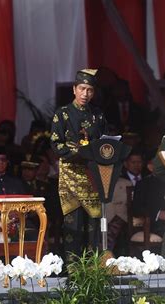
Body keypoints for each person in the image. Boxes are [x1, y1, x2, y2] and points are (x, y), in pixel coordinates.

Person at [50, 68, 107, 258]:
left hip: (92, 176)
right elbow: (56, 144)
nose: (85, 94)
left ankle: (92, 273)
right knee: (72, 227)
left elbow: (105, 141)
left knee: (93, 228)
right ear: (74, 89)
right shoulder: (63, 113)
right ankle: (73, 271)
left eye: (89, 90)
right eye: (82, 88)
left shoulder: (98, 115)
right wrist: (79, 151)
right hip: (71, 176)